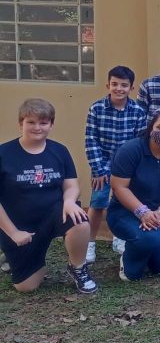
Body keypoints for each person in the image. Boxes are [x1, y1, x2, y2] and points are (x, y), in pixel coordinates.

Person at [0, 99, 97, 294]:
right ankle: (19, 258)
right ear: (21, 123)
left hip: (53, 215)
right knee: (26, 287)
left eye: (43, 123)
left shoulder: (59, 151)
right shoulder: (4, 153)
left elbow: (71, 184)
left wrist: (69, 201)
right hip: (19, 225)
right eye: (31, 122)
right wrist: (13, 232)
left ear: (51, 125)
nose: (37, 127)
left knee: (79, 220)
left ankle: (78, 267)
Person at [107, 111, 160, 281]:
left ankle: (150, 247)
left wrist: (159, 213)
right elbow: (119, 186)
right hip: (128, 211)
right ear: (151, 127)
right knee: (150, 239)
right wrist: (142, 212)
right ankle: (130, 257)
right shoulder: (130, 149)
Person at [84, 65, 147, 262]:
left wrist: (134, 169)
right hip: (102, 166)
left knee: (123, 204)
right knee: (97, 203)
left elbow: (140, 142)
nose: (119, 88)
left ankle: (120, 237)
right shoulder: (96, 108)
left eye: (124, 85)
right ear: (108, 85)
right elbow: (90, 139)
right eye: (115, 84)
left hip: (127, 169)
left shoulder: (138, 111)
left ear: (132, 88)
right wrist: (98, 169)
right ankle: (89, 242)